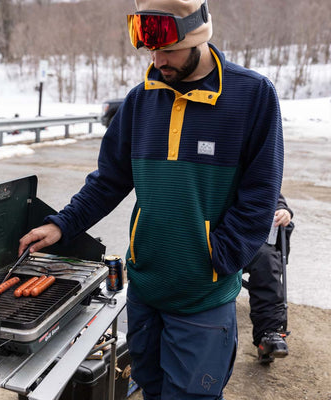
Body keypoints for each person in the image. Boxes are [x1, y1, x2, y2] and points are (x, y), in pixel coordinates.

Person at [19, 0, 284, 398]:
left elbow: (261, 197)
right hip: (144, 290)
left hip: (203, 298)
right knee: (150, 389)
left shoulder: (253, 96)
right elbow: (108, 181)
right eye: (151, 50)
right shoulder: (141, 101)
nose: (158, 60)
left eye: (168, 49)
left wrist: (218, 259)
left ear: (198, 38)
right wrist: (62, 224)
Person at [244, 194, 294, 364]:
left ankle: (268, 334)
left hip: (245, 239)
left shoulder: (247, 168)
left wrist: (282, 209)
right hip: (207, 235)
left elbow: (268, 189)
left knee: (266, 257)